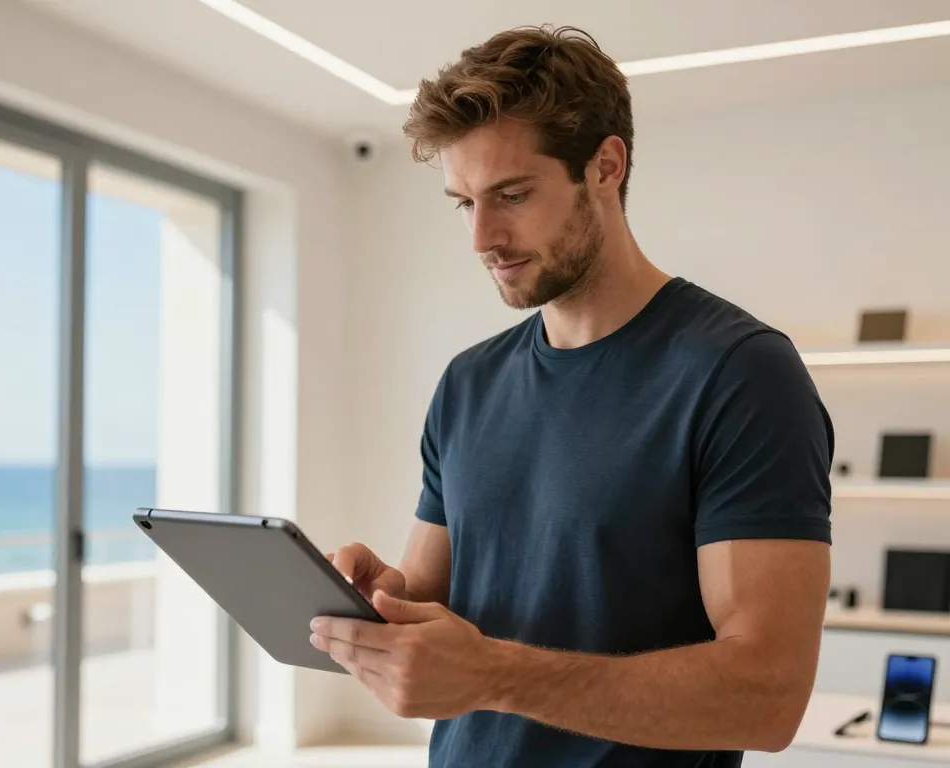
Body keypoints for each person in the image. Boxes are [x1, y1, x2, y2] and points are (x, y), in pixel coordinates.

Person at [309, 24, 834, 768]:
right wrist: (378, 601)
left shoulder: (740, 374)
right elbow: (432, 595)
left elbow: (767, 697)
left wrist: (494, 673)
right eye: (464, 203)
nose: (482, 238)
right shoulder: (468, 382)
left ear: (606, 166)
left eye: (512, 195)